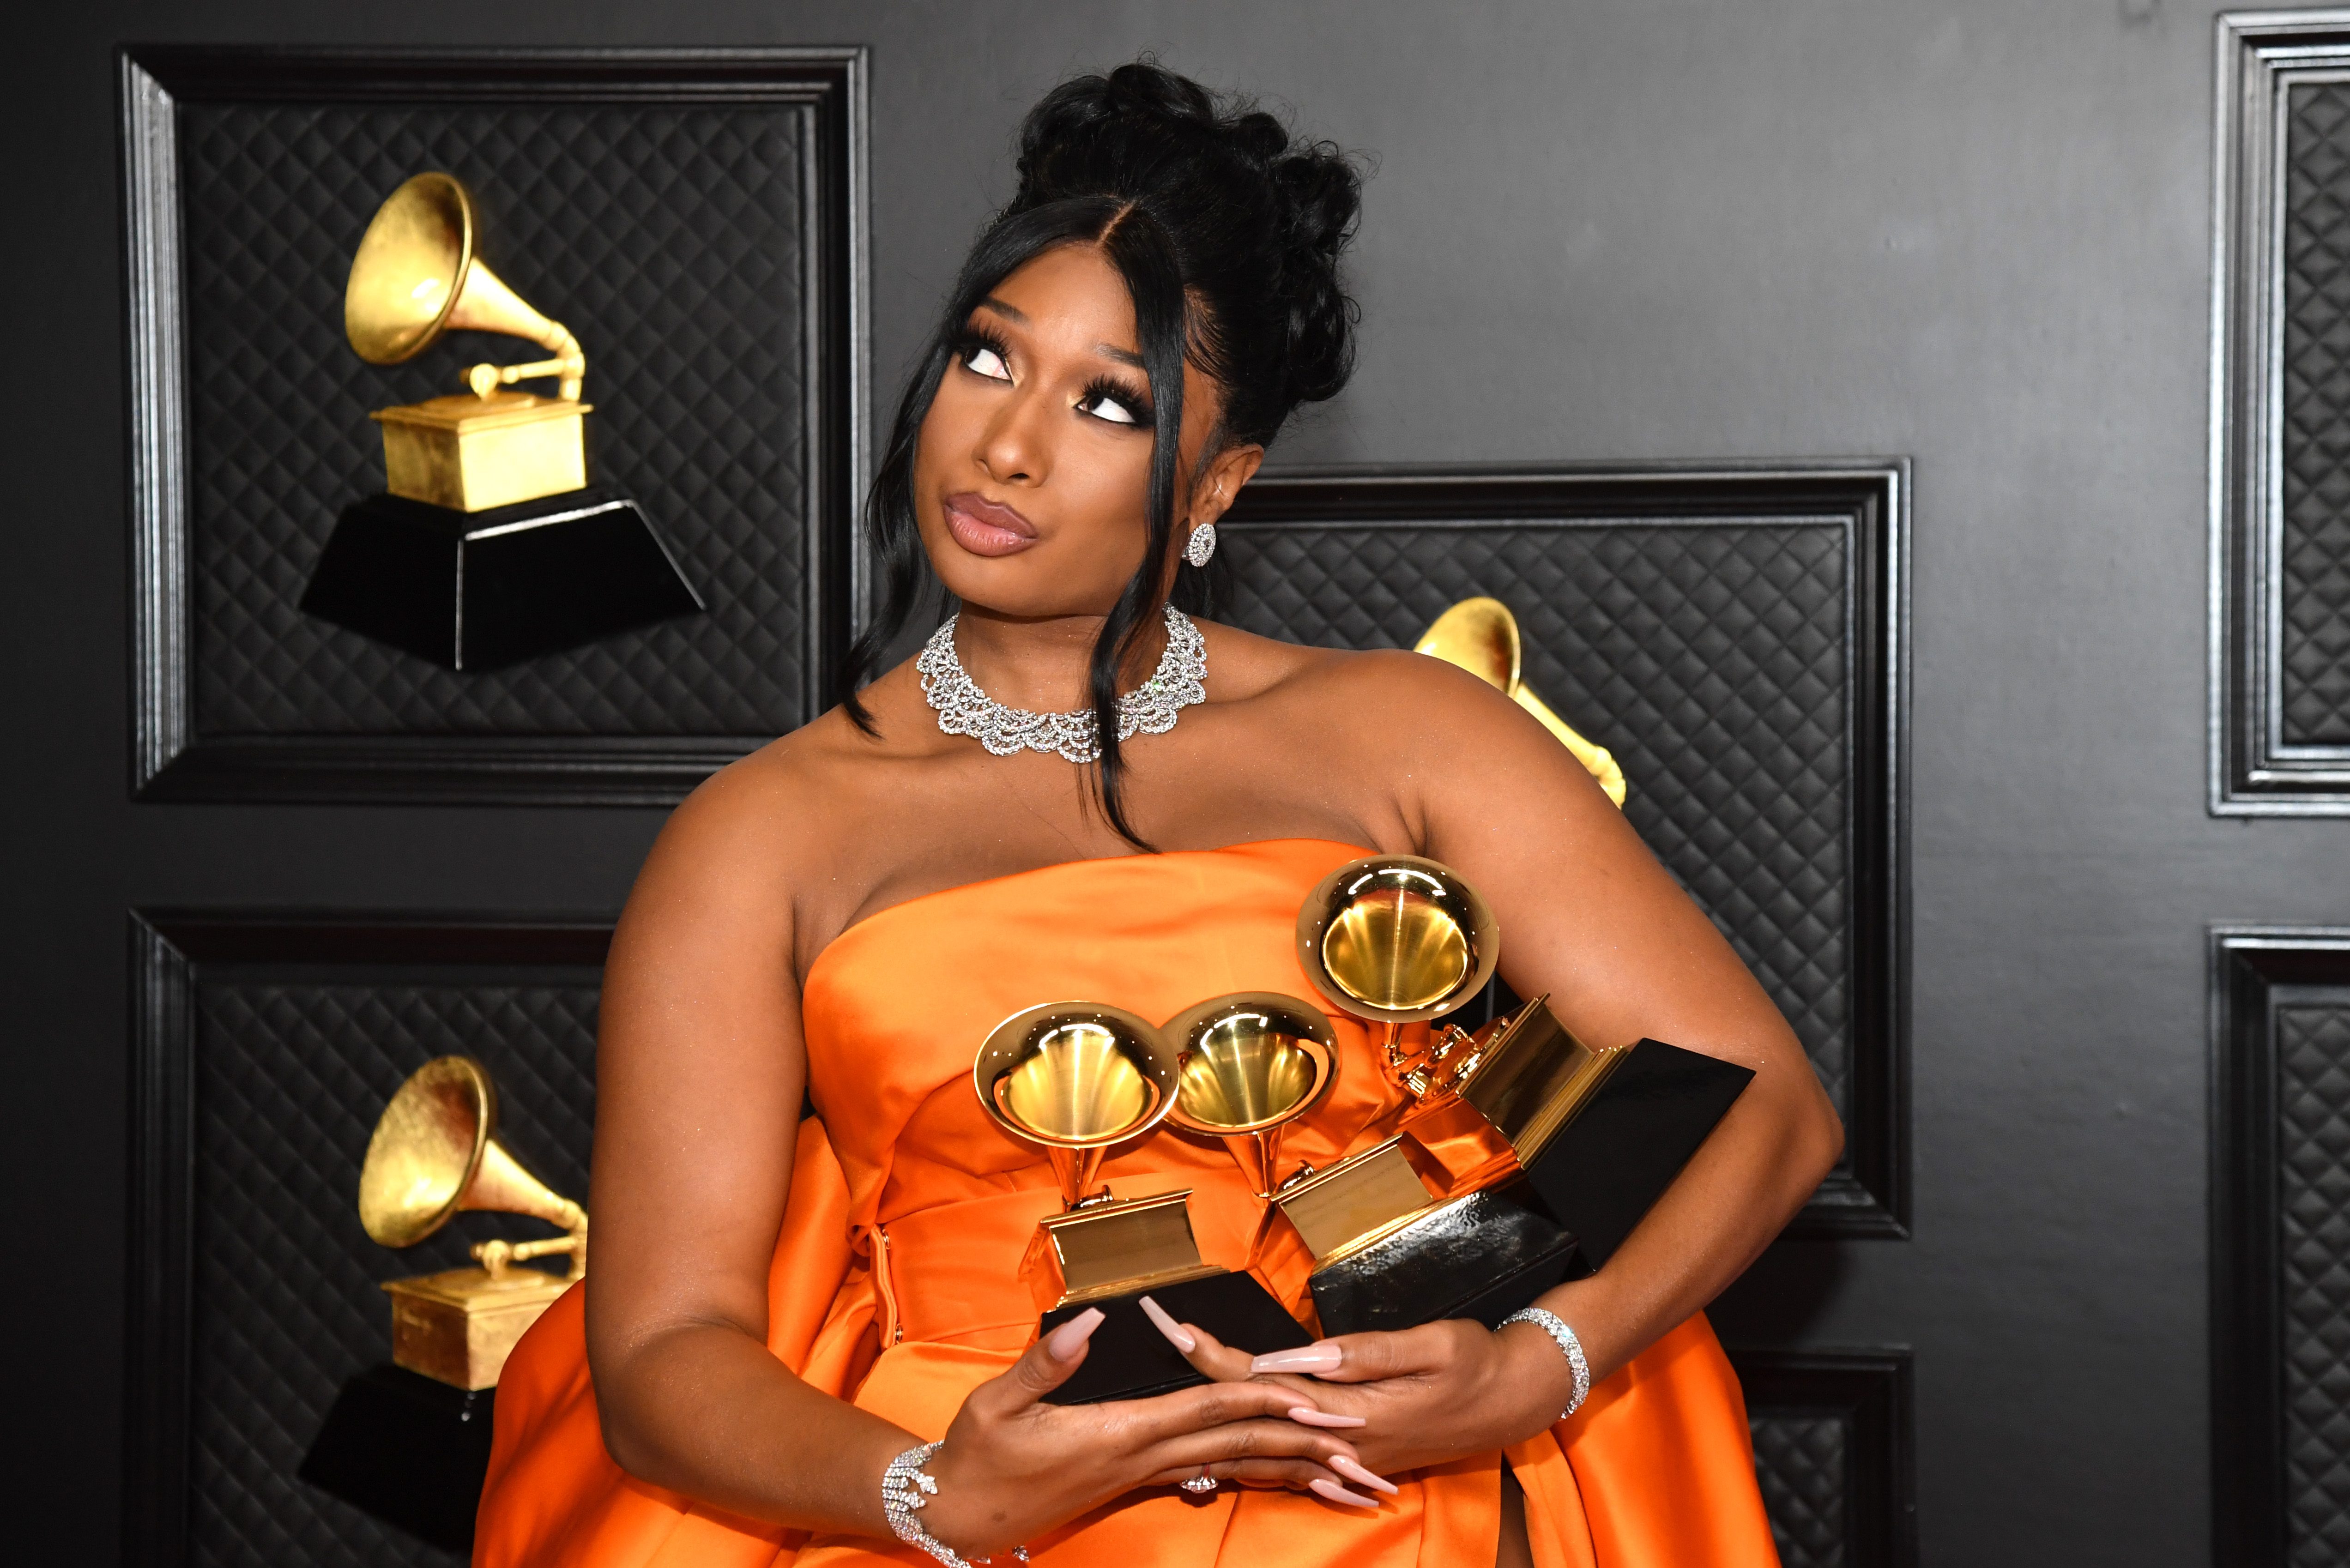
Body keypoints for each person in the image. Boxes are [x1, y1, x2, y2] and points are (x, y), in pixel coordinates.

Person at [474, 60, 1841, 1568]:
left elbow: (1761, 1102)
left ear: (1218, 482)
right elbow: (667, 1345)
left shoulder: (1404, 732)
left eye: (1108, 402)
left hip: (1387, 1505)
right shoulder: (762, 832)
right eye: (987, 362)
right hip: (974, 1497)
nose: (1007, 445)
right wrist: (929, 1488)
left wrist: (1540, 1363)